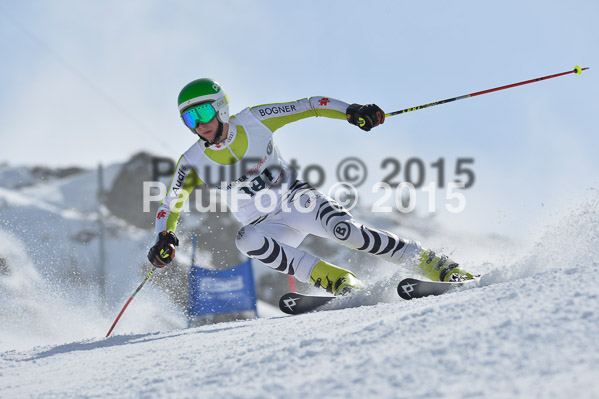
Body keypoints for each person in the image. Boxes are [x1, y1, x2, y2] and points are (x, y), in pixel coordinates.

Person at [147, 78, 476, 296]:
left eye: (203, 112)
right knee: (246, 239)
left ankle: (435, 264)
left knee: (348, 233)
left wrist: (351, 111)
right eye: (190, 119)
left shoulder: (255, 120)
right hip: (265, 224)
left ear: (220, 107)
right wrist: (165, 235)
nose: (200, 125)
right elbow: (170, 203)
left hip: (297, 199)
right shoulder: (191, 161)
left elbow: (309, 105)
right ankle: (339, 282)